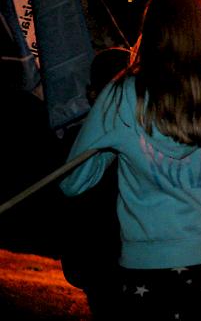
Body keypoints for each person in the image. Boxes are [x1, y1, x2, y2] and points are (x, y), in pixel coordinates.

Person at [59, 0, 201, 320]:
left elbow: (72, 181)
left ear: (150, 29)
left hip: (146, 269)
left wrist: (109, 153)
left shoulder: (123, 95)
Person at [60, 46, 131, 321]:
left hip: (137, 258)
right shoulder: (78, 141)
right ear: (93, 94)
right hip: (100, 261)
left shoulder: (144, 137)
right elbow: (71, 200)